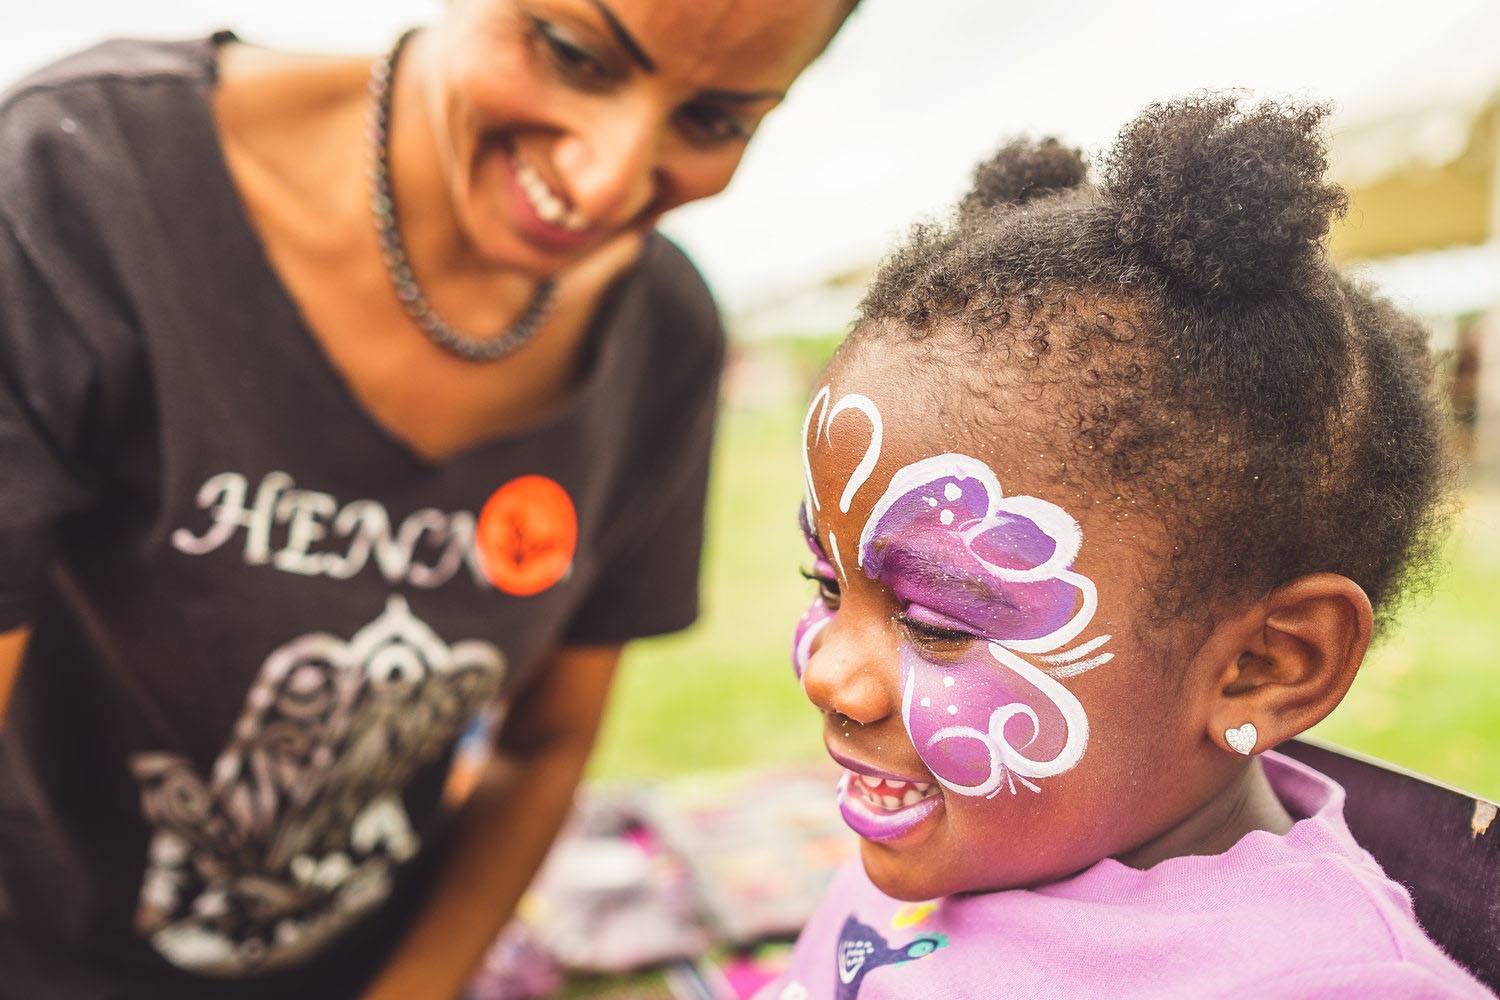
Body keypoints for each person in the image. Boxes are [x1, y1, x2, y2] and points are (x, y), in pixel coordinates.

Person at [0, 2, 856, 997]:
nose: (605, 179)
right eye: (574, 54)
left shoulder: (664, 338)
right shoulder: (85, 181)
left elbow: (545, 745)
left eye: (713, 121)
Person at [772, 97, 1494, 998]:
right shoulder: (968, 838)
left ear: (1265, 668)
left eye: (935, 624)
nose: (828, 675)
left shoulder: (1320, 984)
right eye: (827, 583)